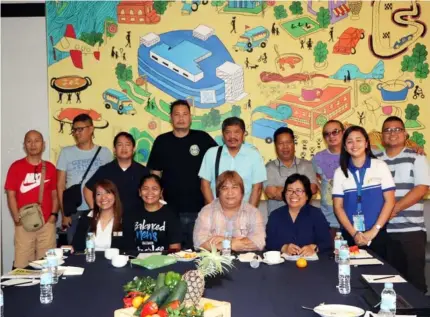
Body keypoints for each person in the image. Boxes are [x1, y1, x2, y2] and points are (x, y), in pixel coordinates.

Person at [147, 99, 217, 249]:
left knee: (199, 253)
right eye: (177, 114)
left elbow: (219, 165)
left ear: (190, 117)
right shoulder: (161, 141)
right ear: (171, 118)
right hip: (170, 210)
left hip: (200, 210)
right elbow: (155, 175)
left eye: (185, 114)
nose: (181, 118)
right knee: (173, 254)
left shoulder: (203, 138)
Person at [376, 116, 430, 293]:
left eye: (397, 129)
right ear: (382, 136)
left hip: (411, 231)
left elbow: (422, 188)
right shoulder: (375, 160)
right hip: (382, 232)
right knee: (387, 284)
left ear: (405, 133)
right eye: (387, 130)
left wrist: (394, 209)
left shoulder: (417, 156)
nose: (392, 133)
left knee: (415, 285)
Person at [333, 126, 396, 260]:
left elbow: (390, 201)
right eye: (349, 141)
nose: (354, 145)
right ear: (344, 146)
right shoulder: (340, 172)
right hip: (350, 235)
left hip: (377, 234)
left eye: (358, 140)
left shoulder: (380, 166)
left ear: (366, 143)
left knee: (377, 275)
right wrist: (354, 233)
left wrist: (373, 231)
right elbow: (338, 206)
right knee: (350, 274)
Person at [5, 130, 58, 268]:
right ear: (24, 145)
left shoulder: (51, 168)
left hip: (46, 223)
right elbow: (11, 195)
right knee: (22, 265)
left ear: (43, 144)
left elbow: (54, 194)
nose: (33, 144)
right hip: (24, 224)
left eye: (37, 140)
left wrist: (53, 216)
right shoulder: (16, 167)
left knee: (47, 264)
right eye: (29, 141)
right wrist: (16, 218)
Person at [84, 132, 149, 243]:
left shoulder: (143, 171)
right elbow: (87, 189)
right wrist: (95, 211)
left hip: (137, 221)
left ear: (133, 149)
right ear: (114, 149)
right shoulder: (105, 170)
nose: (124, 148)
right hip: (112, 222)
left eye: (127, 144)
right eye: (119, 145)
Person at [56, 114, 112, 244]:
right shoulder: (66, 152)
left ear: (91, 129)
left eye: (80, 129)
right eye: (74, 130)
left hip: (100, 209)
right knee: (75, 249)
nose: (77, 133)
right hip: (75, 211)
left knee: (99, 248)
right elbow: (60, 185)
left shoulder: (105, 153)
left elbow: (111, 183)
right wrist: (65, 214)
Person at [199, 117, 266, 207]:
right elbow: (205, 185)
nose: (232, 136)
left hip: (244, 211)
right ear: (223, 135)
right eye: (228, 132)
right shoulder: (212, 153)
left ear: (243, 134)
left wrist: (249, 213)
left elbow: (257, 188)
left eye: (236, 132)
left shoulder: (253, 155)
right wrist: (214, 210)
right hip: (217, 213)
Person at [194, 171, 265, 251]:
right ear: (218, 192)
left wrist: (227, 241)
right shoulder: (207, 211)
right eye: (225, 188)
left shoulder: (253, 212)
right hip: (216, 261)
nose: (230, 193)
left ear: (242, 192)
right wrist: (228, 245)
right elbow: (199, 242)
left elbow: (259, 242)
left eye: (234, 187)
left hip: (245, 261)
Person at [266, 174, 332, 255]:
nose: (293, 194)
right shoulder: (275, 215)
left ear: (307, 195)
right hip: (282, 264)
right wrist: (284, 247)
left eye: (299, 190)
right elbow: (269, 241)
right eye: (289, 190)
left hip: (311, 265)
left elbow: (327, 242)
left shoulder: (316, 214)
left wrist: (313, 247)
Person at [265, 127, 317, 215]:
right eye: (281, 143)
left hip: (304, 217)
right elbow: (271, 193)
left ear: (294, 143)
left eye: (288, 142)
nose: (285, 147)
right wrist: (300, 191)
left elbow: (312, 189)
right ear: (275, 145)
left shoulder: (307, 165)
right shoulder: (269, 167)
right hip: (277, 220)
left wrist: (280, 189)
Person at [131, 175, 182, 252]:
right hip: (136, 260)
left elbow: (175, 247)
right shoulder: (131, 214)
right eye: (145, 189)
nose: (150, 192)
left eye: (154, 189)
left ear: (161, 192)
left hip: (164, 261)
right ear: (139, 192)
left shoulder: (171, 215)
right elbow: (127, 245)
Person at [71, 179, 124, 251]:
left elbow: (127, 247)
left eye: (107, 192)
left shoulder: (124, 218)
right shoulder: (87, 217)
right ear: (94, 198)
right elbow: (77, 245)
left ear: (115, 195)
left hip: (114, 260)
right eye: (98, 194)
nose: (103, 197)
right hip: (89, 259)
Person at [312, 120, 344, 238]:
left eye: (335, 132)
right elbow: (312, 178)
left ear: (343, 132)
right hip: (329, 219)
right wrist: (323, 190)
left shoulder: (354, 154)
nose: (331, 136)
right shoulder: (318, 158)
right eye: (327, 134)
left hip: (352, 218)